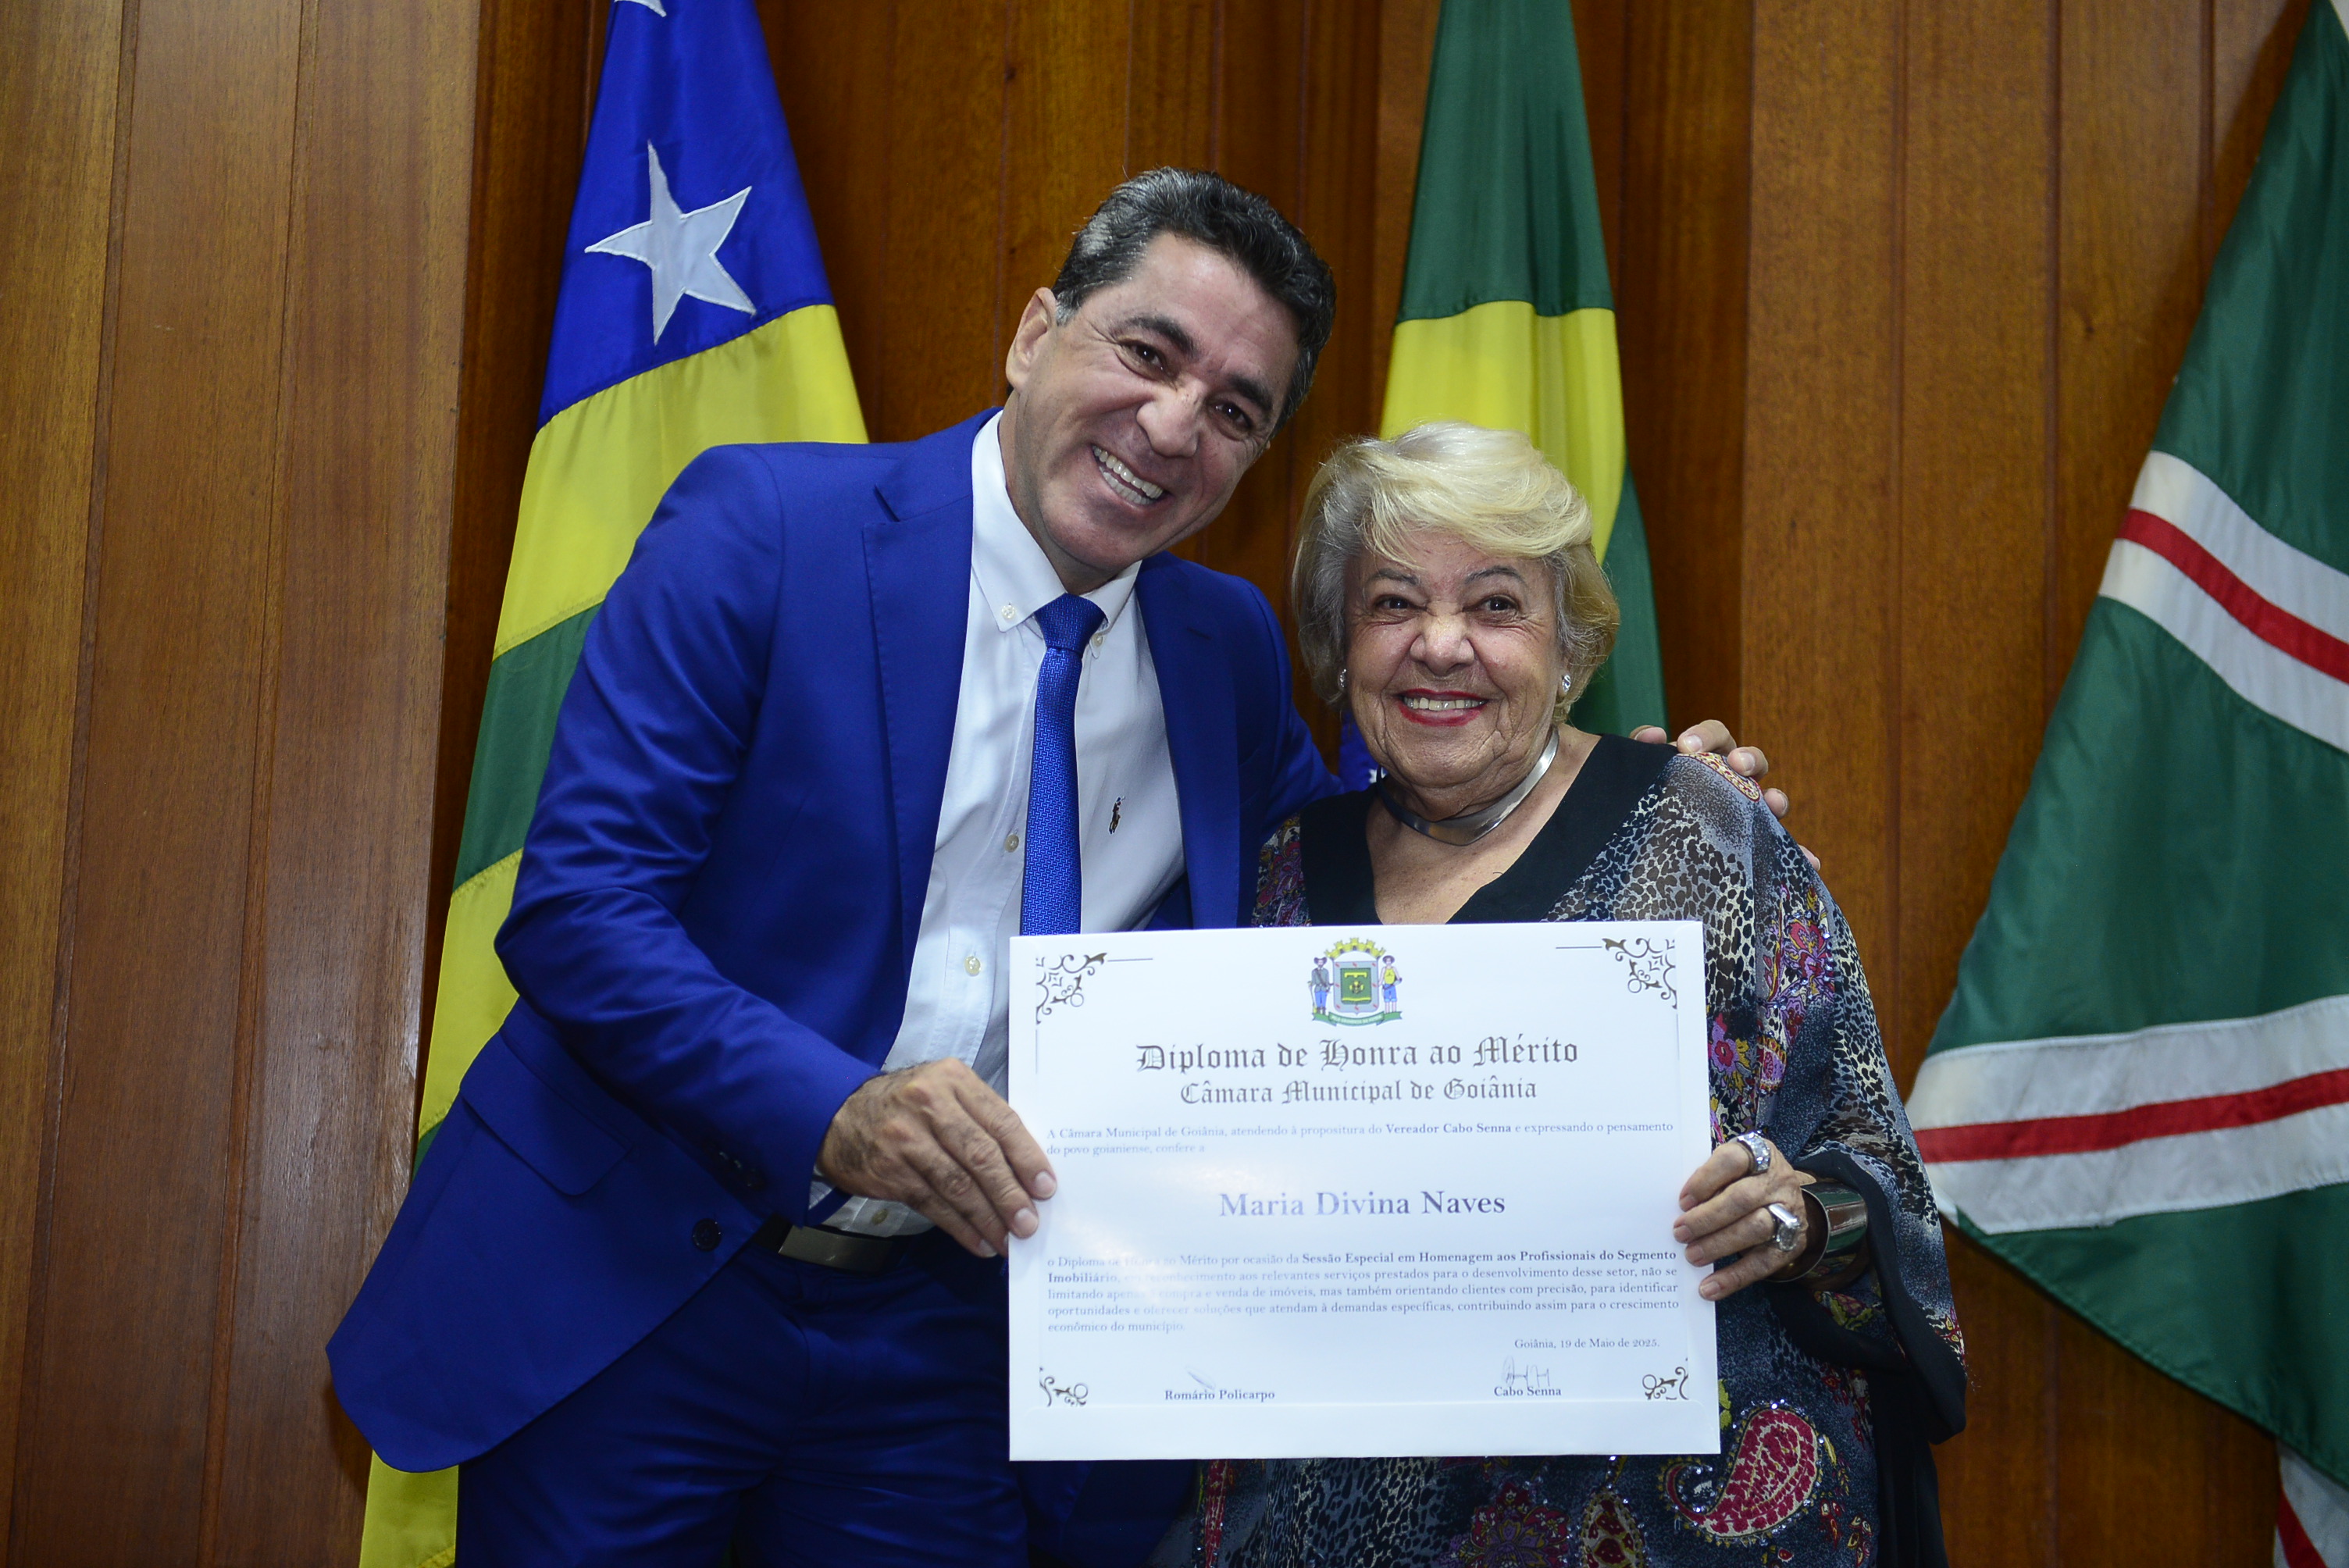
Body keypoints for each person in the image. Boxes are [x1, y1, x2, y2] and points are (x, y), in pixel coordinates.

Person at [329, 170, 1784, 1568]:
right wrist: (834, 1111)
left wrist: (1611, 798)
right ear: (1037, 333)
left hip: (937, 1336)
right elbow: (581, 910)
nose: (1172, 425)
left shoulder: (1220, 649)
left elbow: (1366, 874)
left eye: (1235, 409)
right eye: (1148, 353)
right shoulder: (765, 530)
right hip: (642, 1279)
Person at [1171, 423, 1966, 1568]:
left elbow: (1875, 1172)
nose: (1441, 644)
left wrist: (1794, 1222)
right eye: (1393, 604)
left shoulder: (1703, 829)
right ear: (1339, 647)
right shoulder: (1278, 875)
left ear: (1570, 643)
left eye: (1496, 605)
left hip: (1675, 1523)